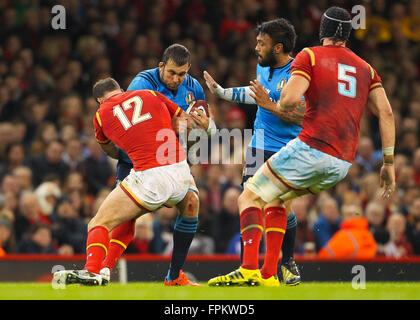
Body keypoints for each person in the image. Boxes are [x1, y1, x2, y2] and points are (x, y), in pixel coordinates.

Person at [208, 6, 396, 287]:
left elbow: (288, 101)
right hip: (342, 163)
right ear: (347, 34)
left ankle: (249, 269)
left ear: (323, 31)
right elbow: (387, 114)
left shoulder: (309, 56)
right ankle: (271, 274)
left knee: (247, 197)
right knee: (278, 200)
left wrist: (272, 102)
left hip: (310, 148)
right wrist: (389, 163)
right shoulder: (366, 69)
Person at [54, 77, 198, 286]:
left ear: (99, 101)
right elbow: (184, 121)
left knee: (99, 222)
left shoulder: (101, 115)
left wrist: (127, 149)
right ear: (121, 89)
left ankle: (92, 270)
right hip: (180, 170)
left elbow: (108, 148)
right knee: (186, 208)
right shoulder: (150, 93)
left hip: (150, 176)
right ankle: (171, 274)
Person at [98, 44, 216, 286]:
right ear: (161, 66)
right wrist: (181, 125)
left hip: (171, 161)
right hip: (136, 163)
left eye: (182, 74)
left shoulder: (194, 89)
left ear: (189, 70)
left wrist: (206, 128)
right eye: (171, 72)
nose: (176, 79)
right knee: (127, 219)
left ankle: (174, 276)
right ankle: (103, 272)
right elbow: (137, 131)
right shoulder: (142, 84)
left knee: (192, 204)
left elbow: (204, 132)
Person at [204, 18, 304, 285]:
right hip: (259, 145)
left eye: (262, 43)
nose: (256, 47)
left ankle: (268, 269)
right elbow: (257, 93)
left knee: (276, 203)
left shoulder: (299, 74)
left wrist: (269, 104)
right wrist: (223, 93)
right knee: (252, 199)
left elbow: (303, 116)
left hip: (287, 148)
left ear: (279, 47)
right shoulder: (265, 67)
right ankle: (267, 271)